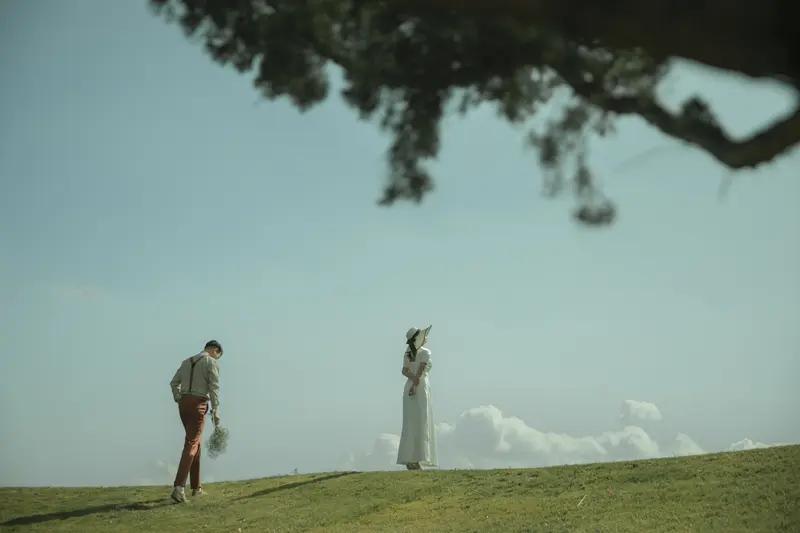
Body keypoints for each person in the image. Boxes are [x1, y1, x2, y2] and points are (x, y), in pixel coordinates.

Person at [168, 340, 223, 503]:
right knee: (192, 443)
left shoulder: (186, 361)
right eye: (218, 355)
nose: (217, 359)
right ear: (215, 350)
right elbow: (214, 387)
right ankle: (179, 487)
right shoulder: (211, 362)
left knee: (195, 442)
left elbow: (173, 383)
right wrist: (216, 409)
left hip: (183, 404)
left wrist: (178, 397)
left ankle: (196, 487)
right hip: (198, 403)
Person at [396, 326, 438, 470]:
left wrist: (412, 380)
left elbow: (404, 370)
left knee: (411, 421)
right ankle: (417, 458)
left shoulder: (408, 353)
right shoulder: (425, 352)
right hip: (420, 386)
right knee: (421, 420)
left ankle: (412, 459)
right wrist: (415, 383)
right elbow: (420, 370)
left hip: (410, 385)